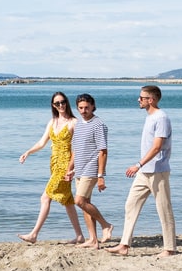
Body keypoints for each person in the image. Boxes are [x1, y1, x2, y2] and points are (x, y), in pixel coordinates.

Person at [109, 84, 175, 257]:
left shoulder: (161, 118)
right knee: (131, 204)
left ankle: (169, 248)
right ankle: (124, 245)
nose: (138, 100)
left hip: (157, 171)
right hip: (144, 172)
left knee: (164, 208)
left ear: (151, 100)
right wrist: (141, 167)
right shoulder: (150, 117)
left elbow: (157, 147)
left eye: (141, 97)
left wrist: (137, 164)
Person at [17, 91, 85, 244]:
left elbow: (78, 148)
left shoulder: (74, 122)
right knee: (68, 201)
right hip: (54, 164)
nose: (60, 105)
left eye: (62, 102)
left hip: (65, 164)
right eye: (57, 103)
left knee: (45, 197)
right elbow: (42, 143)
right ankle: (80, 236)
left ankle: (34, 234)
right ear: (53, 106)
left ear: (66, 102)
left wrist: (73, 168)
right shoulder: (52, 122)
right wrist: (28, 152)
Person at [69, 94, 114, 248]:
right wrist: (70, 169)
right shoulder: (79, 124)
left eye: (86, 107)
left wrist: (101, 176)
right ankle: (93, 240)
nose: (83, 110)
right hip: (79, 170)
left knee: (79, 201)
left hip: (92, 169)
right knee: (85, 204)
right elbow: (76, 149)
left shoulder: (98, 124)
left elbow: (103, 151)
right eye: (80, 108)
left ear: (93, 106)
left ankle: (106, 225)